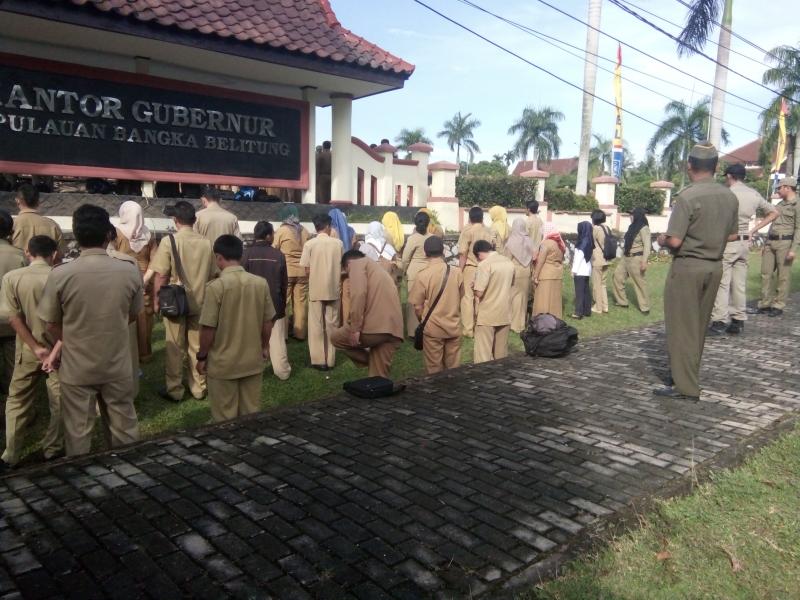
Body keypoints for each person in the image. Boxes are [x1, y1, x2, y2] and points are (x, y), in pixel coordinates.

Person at [37, 204, 143, 456]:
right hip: (116, 361)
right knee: (124, 431)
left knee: (77, 434)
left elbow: (50, 323)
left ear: (76, 235)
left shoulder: (60, 274)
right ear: (108, 234)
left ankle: (81, 485)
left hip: (78, 364)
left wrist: (71, 338)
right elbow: (132, 314)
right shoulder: (128, 271)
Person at [654, 142, 738, 401]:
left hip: (688, 266)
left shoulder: (688, 197)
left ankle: (686, 388)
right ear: (715, 168)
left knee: (681, 327)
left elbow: (676, 241)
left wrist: (661, 239)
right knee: (699, 327)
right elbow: (733, 234)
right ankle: (684, 375)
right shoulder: (729, 196)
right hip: (714, 267)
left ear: (690, 166)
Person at [0, 236, 62, 471]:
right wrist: (53, 350)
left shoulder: (12, 278)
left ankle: (11, 453)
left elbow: (13, 318)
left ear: (28, 252)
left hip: (28, 348)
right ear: (54, 254)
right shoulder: (61, 276)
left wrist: (36, 348)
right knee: (59, 399)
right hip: (59, 349)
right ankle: (53, 448)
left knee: (17, 399)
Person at [198, 235, 275, 422]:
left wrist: (202, 356)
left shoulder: (216, 287)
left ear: (218, 257)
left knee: (224, 416)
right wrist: (264, 346)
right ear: (240, 256)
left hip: (223, 363)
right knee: (251, 413)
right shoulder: (260, 283)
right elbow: (268, 321)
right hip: (251, 360)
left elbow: (208, 328)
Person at [151, 201, 217, 402]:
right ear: (194, 220)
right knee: (197, 346)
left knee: (174, 347)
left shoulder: (169, 241)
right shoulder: (206, 242)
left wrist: (156, 300)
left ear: (175, 220)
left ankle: (175, 389)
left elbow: (161, 275)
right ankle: (199, 387)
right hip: (201, 301)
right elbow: (214, 273)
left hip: (175, 302)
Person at [709, 165, 778, 333]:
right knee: (739, 284)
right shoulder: (753, 193)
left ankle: (719, 321)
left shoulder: (726, 193)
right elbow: (774, 212)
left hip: (728, 241)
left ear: (730, 176)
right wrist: (753, 230)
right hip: (744, 243)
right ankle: (738, 320)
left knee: (722, 283)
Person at [331, 250, 403, 377]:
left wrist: (355, 329)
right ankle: (377, 368)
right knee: (378, 376)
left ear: (347, 265)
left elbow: (358, 295)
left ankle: (372, 362)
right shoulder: (378, 270)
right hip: (394, 330)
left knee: (335, 338)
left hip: (373, 330)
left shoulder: (356, 264)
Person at [408, 236, 464, 374]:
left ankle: (436, 395)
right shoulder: (457, 272)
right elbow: (461, 296)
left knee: (434, 369)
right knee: (453, 369)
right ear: (443, 251)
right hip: (453, 325)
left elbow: (417, 306)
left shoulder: (423, 275)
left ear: (425, 253)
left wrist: (424, 319)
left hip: (433, 327)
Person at [243, 222, 291, 380]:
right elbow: (284, 284)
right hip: (274, 302)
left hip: (251, 303)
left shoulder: (246, 254)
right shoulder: (278, 255)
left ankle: (252, 371)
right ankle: (282, 371)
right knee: (277, 340)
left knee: (251, 340)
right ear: (269, 235)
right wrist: (283, 304)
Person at [113, 200, 158, 361]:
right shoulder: (149, 234)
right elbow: (155, 261)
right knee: (144, 317)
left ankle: (125, 354)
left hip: (122, 279)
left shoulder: (117, 233)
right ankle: (144, 354)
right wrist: (145, 280)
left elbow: (111, 255)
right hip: (145, 280)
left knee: (124, 316)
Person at [299, 213, 343, 371]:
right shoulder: (338, 244)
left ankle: (318, 360)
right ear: (328, 226)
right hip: (333, 288)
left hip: (316, 288)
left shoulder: (310, 244)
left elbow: (306, 269)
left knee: (316, 324)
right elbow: (342, 265)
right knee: (332, 324)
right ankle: (330, 359)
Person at [752, 176, 799, 318]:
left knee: (782, 276)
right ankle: (765, 303)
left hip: (785, 243)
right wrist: (766, 243)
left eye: (780, 187)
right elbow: (772, 224)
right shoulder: (780, 205)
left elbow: (799, 229)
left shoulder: (797, 204)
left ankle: (778, 305)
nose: (778, 190)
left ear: (788, 188)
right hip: (771, 242)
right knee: (765, 273)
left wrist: (793, 249)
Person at [472, 239, 515, 363]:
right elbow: (511, 284)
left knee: (483, 356)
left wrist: (473, 287)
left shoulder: (484, 265)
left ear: (479, 254)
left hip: (487, 314)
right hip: (505, 312)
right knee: (501, 354)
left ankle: (484, 380)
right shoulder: (508, 262)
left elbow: (479, 292)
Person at [0, 211, 27, 403]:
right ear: (11, 230)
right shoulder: (20, 256)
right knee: (13, 372)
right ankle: (12, 409)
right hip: (12, 323)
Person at [273, 204, 310, 340]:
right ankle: (300, 333)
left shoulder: (281, 231)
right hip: (302, 272)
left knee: (284, 302)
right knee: (300, 303)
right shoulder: (304, 231)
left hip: (286, 272)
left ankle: (283, 334)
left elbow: (274, 248)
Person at [457, 206, 494, 337]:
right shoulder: (488, 232)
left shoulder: (468, 232)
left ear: (470, 218)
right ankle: (480, 326)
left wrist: (459, 271)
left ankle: (468, 330)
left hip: (470, 267)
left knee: (467, 297)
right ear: (482, 218)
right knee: (481, 297)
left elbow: (463, 254)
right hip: (485, 267)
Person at [612, 207, 652, 314]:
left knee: (639, 283)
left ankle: (645, 307)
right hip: (626, 257)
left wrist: (644, 261)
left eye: (632, 214)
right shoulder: (632, 227)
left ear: (637, 215)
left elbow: (647, 245)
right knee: (617, 276)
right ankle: (622, 301)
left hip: (636, 258)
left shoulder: (644, 228)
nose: (630, 216)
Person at [401, 212, 432, 337]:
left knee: (413, 303)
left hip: (414, 273)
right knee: (427, 301)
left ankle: (413, 331)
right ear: (428, 223)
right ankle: (427, 327)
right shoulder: (432, 237)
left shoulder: (413, 238)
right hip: (429, 271)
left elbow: (405, 258)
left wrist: (403, 271)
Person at [11, 183, 65, 255]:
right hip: (46, 265)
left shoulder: (11, 224)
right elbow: (60, 253)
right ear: (38, 202)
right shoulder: (52, 225)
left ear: (17, 201)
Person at [504, 217, 535, 332]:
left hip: (514, 272)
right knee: (523, 298)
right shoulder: (529, 240)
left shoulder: (511, 241)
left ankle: (511, 322)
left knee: (511, 297)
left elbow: (506, 259)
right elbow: (532, 256)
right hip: (526, 271)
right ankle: (520, 325)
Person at [533, 223, 565, 318]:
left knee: (543, 300)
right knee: (554, 300)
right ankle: (555, 320)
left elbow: (540, 261)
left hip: (546, 274)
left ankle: (543, 321)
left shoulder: (546, 244)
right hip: (557, 274)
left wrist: (535, 275)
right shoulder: (560, 244)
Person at [571, 221, 593, 319]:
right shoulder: (589, 240)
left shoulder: (582, 242)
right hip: (587, 270)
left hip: (580, 270)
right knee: (586, 291)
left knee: (579, 292)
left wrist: (573, 270)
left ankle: (578, 313)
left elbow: (579, 257)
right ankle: (587, 310)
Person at [590, 210, 611, 314]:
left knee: (596, 284)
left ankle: (598, 307)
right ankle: (605, 306)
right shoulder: (606, 228)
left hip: (597, 259)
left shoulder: (596, 229)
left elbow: (591, 241)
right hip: (607, 258)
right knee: (603, 284)